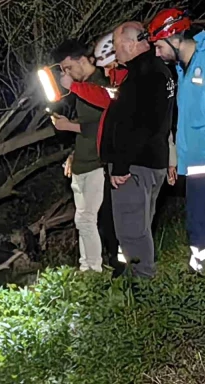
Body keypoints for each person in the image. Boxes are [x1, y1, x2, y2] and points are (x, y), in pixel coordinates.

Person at [148, 8, 205, 273]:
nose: (157, 54)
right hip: (194, 166)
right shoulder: (183, 71)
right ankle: (204, 285)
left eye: (159, 46)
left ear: (174, 36)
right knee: (197, 228)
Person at [96, 21, 175, 278]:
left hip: (135, 166)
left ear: (131, 43)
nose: (115, 52)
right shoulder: (153, 71)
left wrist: (121, 165)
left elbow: (141, 125)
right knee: (138, 227)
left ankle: (143, 288)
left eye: (118, 46)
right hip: (147, 163)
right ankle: (137, 280)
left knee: (131, 230)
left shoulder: (147, 75)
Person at [50, 39, 110, 273]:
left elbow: (101, 126)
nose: (67, 74)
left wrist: (68, 127)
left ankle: (93, 269)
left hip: (98, 162)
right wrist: (73, 154)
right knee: (81, 219)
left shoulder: (99, 84)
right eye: (63, 70)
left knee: (87, 218)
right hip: (81, 163)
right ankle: (86, 266)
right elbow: (85, 125)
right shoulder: (81, 87)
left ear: (83, 59)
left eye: (68, 68)